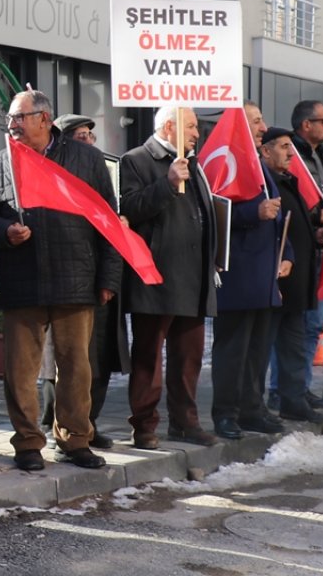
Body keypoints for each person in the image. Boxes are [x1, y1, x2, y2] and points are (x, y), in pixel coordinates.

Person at [0, 91, 121, 471]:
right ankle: (27, 443)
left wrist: (108, 276)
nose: (13, 124)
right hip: (23, 281)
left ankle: (75, 440)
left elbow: (109, 219)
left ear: (44, 118)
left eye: (20, 117)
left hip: (77, 278)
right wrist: (6, 230)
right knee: (20, 369)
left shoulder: (85, 158)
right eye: (10, 119)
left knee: (76, 366)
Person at [120, 106, 218, 448]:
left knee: (189, 357)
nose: (196, 134)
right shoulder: (136, 160)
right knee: (148, 355)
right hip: (157, 277)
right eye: (191, 127)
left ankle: (185, 422)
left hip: (194, 276)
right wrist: (168, 183)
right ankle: (144, 426)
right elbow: (130, 207)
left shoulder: (194, 163)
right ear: (169, 127)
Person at [42, 113, 130, 450]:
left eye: (91, 137)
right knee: (65, 358)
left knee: (99, 357)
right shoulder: (54, 173)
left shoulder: (102, 171)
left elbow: (109, 225)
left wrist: (109, 277)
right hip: (66, 281)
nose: (89, 143)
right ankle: (54, 424)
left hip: (97, 280)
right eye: (80, 137)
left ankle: (88, 424)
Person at [209, 117, 290, 439]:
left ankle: (251, 410)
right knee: (232, 352)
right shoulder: (228, 159)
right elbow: (217, 212)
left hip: (265, 277)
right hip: (239, 276)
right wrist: (251, 214)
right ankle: (226, 414)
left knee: (257, 350)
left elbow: (279, 219)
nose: (263, 126)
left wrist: (288, 256)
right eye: (255, 120)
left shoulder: (261, 167)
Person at [261, 128, 323, 423]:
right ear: (266, 151)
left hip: (297, 279)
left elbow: (294, 226)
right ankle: (254, 405)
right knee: (262, 347)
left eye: (291, 147)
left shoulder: (287, 181)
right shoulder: (264, 183)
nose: (291, 153)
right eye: (284, 147)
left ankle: (294, 399)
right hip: (274, 280)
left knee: (293, 343)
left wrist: (316, 234)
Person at [288, 100, 323, 404]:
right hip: (299, 254)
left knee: (314, 325)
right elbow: (292, 203)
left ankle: (302, 388)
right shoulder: (292, 154)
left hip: (322, 249)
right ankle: (285, 389)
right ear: (306, 125)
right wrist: (316, 217)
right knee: (296, 327)